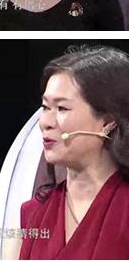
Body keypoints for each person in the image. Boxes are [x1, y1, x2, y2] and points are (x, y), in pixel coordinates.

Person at [16, 46, 129, 259]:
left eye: (62, 108)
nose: (45, 122)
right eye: (45, 107)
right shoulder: (32, 213)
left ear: (107, 122)